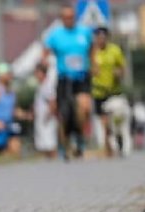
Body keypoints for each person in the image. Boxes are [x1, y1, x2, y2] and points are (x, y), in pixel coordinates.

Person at [42, 3, 94, 160]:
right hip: (64, 79)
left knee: (84, 108)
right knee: (65, 115)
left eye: (71, 17)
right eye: (65, 17)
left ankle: (80, 138)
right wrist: (45, 62)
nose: (69, 20)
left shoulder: (84, 32)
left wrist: (94, 64)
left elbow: (92, 49)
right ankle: (65, 145)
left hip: (82, 77)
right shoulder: (56, 35)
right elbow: (45, 51)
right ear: (61, 19)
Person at [91, 26, 127, 156]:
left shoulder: (115, 51)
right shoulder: (92, 52)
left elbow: (122, 68)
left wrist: (119, 73)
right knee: (104, 122)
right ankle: (108, 149)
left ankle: (118, 137)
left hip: (114, 91)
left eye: (103, 38)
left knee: (116, 118)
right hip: (99, 92)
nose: (101, 40)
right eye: (98, 38)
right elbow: (88, 69)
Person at [33, 63, 58, 159]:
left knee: (49, 142)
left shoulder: (47, 86)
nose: (35, 75)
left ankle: (54, 161)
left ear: (42, 73)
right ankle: (48, 162)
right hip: (42, 118)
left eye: (37, 73)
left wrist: (49, 115)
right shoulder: (41, 86)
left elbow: (52, 101)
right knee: (44, 144)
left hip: (47, 119)